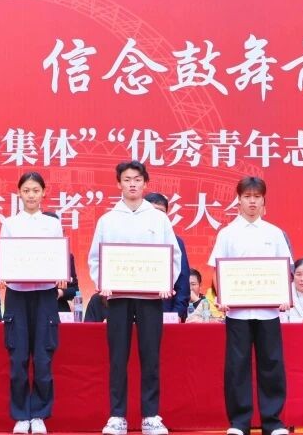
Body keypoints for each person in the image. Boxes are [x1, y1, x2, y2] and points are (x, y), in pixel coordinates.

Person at [88, 161, 181, 435]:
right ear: (119, 183)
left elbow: (173, 255)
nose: (132, 184)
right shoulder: (108, 220)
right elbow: (95, 258)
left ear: (145, 183)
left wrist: (166, 282)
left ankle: (150, 416)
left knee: (150, 356)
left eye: (137, 179)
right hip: (117, 297)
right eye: (127, 179)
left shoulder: (158, 219)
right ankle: (117, 416)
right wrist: (102, 283)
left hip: (150, 297)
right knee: (118, 357)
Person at [207, 176, 292, 435]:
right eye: (247, 197)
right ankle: (239, 422)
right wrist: (222, 296)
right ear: (239, 200)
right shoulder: (227, 234)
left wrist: (284, 295)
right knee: (237, 366)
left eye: (257, 197)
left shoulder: (274, 233)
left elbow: (285, 270)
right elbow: (216, 271)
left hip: (268, 312)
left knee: (271, 363)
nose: (252, 202)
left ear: (264, 200)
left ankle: (272, 422)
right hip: (237, 312)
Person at [0, 172, 65, 434]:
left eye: (36, 190)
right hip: (17, 293)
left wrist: (60, 273)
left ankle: (38, 414)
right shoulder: (10, 224)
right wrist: (3, 273)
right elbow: (5, 255)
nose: (31, 195)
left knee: (43, 357)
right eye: (26, 190)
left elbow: (59, 256)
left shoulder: (52, 224)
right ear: (19, 193)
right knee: (17, 358)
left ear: (43, 193)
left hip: (45, 294)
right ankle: (20, 415)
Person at [144, 192, 192, 321]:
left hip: (166, 311)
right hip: (134, 310)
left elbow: (183, 281)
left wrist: (178, 313)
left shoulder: (175, 242)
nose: (157, 216)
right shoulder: (133, 240)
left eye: (161, 212)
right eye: (152, 211)